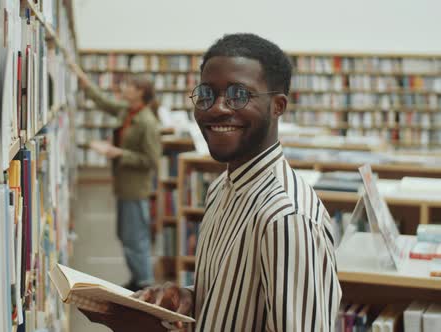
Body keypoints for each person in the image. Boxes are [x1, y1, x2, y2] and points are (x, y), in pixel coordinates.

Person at [71, 33, 342, 332]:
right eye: (207, 94)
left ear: (277, 106)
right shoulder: (221, 189)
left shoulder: (287, 219)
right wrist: (191, 298)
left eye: (239, 95)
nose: (217, 108)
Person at [66, 58, 161, 292]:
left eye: (129, 86)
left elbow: (152, 161)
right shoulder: (128, 111)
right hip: (123, 185)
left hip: (134, 188)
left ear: (140, 92)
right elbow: (102, 101)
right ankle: (138, 279)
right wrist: (82, 78)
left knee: (135, 238)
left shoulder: (147, 122)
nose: (123, 88)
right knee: (126, 235)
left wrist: (118, 153)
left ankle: (145, 284)